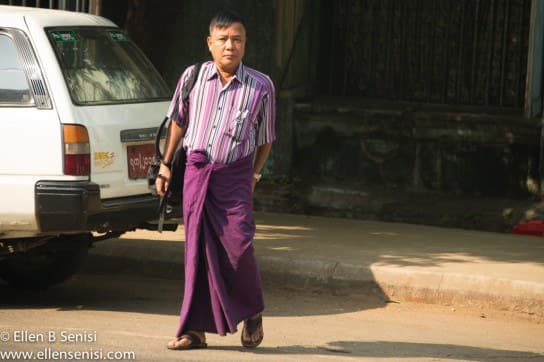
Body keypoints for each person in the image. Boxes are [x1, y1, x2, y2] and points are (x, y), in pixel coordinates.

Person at [155, 10, 276, 350]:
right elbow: (178, 121)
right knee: (196, 252)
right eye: (223, 39)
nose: (230, 46)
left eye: (237, 39)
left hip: (235, 174)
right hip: (196, 171)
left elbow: (266, 136)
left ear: (245, 44)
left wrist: (254, 173)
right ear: (210, 44)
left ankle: (252, 311)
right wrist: (166, 165)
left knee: (239, 246)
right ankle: (194, 330)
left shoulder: (261, 86)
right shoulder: (192, 77)